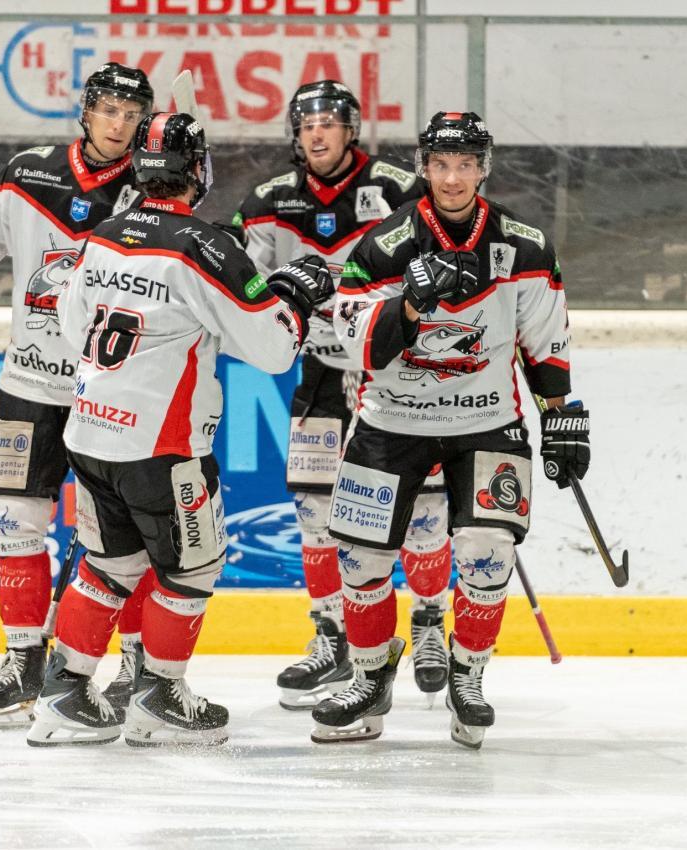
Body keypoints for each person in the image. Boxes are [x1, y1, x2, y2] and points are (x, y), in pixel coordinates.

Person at [25, 112, 334, 747]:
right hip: (162, 445)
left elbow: (69, 320)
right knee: (192, 567)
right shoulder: (206, 246)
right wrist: (294, 297)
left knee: (109, 566)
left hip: (89, 432)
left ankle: (63, 694)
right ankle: (160, 699)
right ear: (198, 170)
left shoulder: (104, 234)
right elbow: (273, 349)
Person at [316, 111, 590, 747]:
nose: (454, 176)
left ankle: (468, 676)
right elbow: (354, 342)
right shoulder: (383, 245)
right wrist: (409, 307)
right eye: (442, 164)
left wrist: (562, 415)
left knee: (488, 553)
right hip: (391, 422)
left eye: (466, 164)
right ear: (424, 167)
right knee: (361, 557)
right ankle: (367, 678)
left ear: (482, 168)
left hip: (486, 421)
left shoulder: (525, 245)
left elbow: (544, 341)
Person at [0, 63, 159, 731]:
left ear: (142, 122)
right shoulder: (28, 173)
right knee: (15, 521)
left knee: (121, 534)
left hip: (112, 393)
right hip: (27, 383)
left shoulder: (152, 190)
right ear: (86, 110)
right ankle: (22, 658)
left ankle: (133, 660)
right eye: (107, 107)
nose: (117, 121)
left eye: (130, 113)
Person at [232, 80, 455, 709]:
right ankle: (332, 635)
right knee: (313, 510)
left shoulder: (398, 188)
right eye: (308, 126)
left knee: (423, 510)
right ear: (295, 136)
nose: (319, 134)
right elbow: (242, 280)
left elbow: (448, 257)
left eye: (330, 123)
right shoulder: (267, 202)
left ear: (351, 129)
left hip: (398, 369)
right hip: (322, 375)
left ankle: (431, 619)